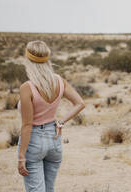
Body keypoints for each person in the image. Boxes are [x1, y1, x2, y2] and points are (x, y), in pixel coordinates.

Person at [17, 40, 85, 192]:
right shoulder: (59, 81)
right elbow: (80, 103)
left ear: (28, 60)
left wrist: (21, 156)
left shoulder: (26, 88)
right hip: (54, 140)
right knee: (49, 189)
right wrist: (61, 122)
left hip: (33, 142)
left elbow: (27, 125)